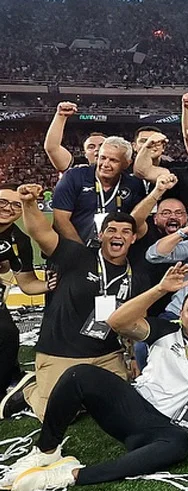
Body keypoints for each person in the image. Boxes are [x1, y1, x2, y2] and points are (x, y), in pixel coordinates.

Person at [2, 277, 188, 491]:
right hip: (132, 409)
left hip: (168, 430)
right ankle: (47, 451)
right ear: (181, 314)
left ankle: (70, 476)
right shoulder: (164, 330)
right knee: (79, 374)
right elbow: (117, 322)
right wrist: (160, 289)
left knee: (181, 444)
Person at [15, 184, 155, 420]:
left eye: (124, 231)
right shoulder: (77, 256)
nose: (117, 236)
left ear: (133, 238)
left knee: (117, 407)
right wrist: (29, 204)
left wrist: (131, 358)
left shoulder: (137, 276)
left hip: (107, 355)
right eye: (111, 230)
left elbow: (134, 320)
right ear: (101, 235)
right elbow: (41, 234)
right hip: (61, 352)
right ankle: (30, 388)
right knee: (58, 416)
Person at [0, 186, 46, 414]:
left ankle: (6, 386)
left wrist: (52, 285)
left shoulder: (19, 240)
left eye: (16, 204)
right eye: (3, 202)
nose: (8, 208)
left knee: (8, 334)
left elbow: (27, 283)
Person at [51, 136, 145, 245]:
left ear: (127, 163)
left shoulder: (134, 184)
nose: (105, 164)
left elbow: (138, 223)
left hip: (115, 253)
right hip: (74, 251)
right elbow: (60, 220)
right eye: (103, 158)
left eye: (113, 160)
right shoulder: (74, 177)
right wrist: (81, 252)